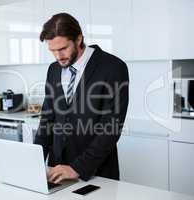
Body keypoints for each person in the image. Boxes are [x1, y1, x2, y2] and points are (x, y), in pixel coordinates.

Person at [35, 13, 129, 184]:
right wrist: (33, 160)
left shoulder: (113, 67)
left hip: (95, 173)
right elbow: (47, 119)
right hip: (57, 171)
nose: (58, 56)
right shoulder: (53, 69)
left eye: (63, 49)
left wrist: (77, 168)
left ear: (79, 39)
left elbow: (111, 128)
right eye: (52, 51)